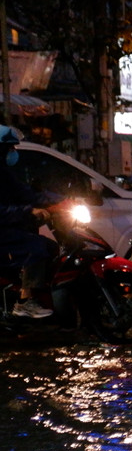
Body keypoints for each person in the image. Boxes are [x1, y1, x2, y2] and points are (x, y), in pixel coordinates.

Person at [0, 125, 61, 318]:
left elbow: (25, 193)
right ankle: (24, 302)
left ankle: (33, 294)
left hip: (8, 227)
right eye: (10, 148)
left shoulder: (3, 173)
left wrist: (60, 200)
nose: (13, 152)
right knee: (35, 248)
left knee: (50, 247)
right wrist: (29, 211)